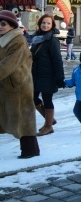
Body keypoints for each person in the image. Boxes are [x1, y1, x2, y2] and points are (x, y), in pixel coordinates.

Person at [0, 10, 40, 159]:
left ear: (12, 25)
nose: (1, 26)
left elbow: (9, 63)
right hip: (6, 86)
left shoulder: (17, 40)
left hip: (18, 87)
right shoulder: (3, 39)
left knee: (24, 120)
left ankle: (30, 151)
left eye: (4, 24)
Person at [31, 14, 65, 136]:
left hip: (48, 76)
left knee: (47, 99)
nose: (45, 25)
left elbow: (57, 60)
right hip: (36, 75)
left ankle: (48, 125)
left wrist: (60, 78)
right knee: (32, 98)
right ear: (40, 24)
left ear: (52, 26)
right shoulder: (36, 38)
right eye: (43, 23)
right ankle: (49, 118)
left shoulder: (53, 40)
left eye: (48, 23)